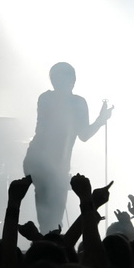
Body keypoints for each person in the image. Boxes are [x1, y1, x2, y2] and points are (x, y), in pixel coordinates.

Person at [22, 62, 112, 232]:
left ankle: (48, 243)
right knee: (51, 215)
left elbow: (83, 135)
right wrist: (100, 120)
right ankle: (52, 244)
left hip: (48, 163)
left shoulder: (58, 100)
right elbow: (82, 134)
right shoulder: (55, 100)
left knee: (51, 216)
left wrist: (101, 119)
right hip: (43, 162)